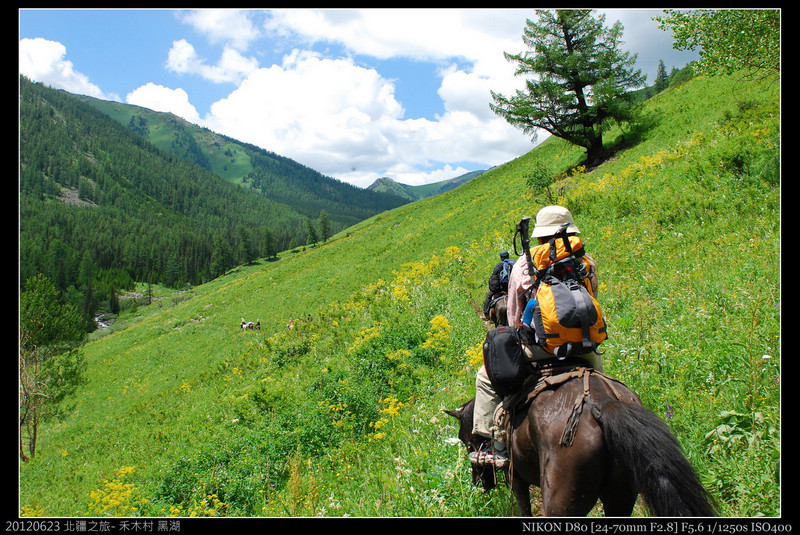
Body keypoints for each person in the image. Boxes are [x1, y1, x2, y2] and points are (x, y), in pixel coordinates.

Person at [471, 206, 604, 468]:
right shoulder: (586, 260)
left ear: (540, 235)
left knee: (484, 377)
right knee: (603, 385)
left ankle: (492, 445)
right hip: (584, 346)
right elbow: (592, 298)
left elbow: (512, 316)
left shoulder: (525, 263)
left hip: (541, 348)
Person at [482, 250, 513, 318]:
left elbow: (494, 280)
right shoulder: (513, 264)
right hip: (513, 290)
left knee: (489, 296)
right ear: (508, 256)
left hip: (501, 290)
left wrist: (495, 290)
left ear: (501, 258)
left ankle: (486, 313)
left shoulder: (498, 266)